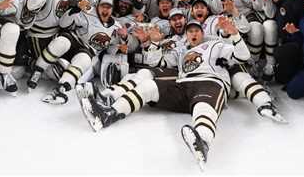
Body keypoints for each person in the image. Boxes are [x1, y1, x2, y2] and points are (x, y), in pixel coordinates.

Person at [76, 18, 284, 170]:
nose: (193, 34)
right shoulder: (183, 51)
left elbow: (243, 55)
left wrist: (234, 34)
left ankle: (202, 141)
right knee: (148, 85)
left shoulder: (216, 44)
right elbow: (158, 64)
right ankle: (107, 114)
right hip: (183, 85)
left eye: (196, 30)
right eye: (189, 31)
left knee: (203, 107)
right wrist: (155, 43)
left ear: (202, 33)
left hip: (210, 82)